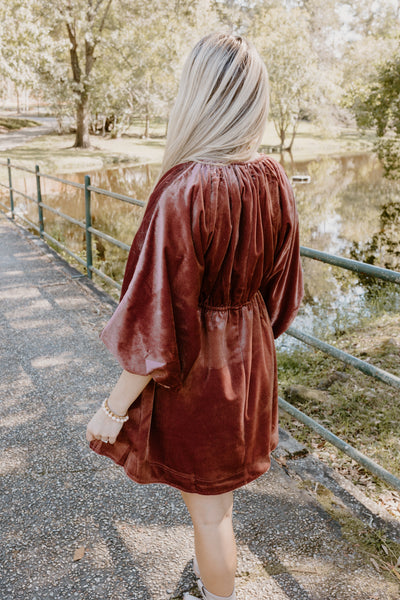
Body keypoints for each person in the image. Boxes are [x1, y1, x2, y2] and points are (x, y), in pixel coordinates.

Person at [86, 32, 303, 600]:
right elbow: (281, 295)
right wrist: (250, 344)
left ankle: (217, 594)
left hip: (201, 375)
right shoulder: (273, 178)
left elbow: (157, 321)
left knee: (210, 517)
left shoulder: (185, 188)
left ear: (197, 96)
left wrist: (113, 408)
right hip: (248, 359)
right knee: (217, 507)